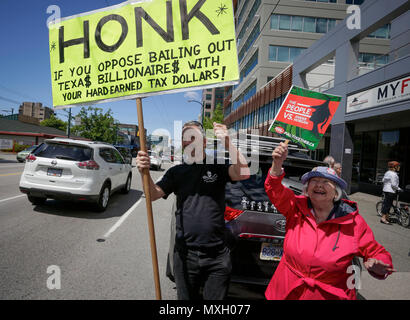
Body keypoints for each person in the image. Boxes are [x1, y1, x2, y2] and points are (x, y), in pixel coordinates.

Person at [264, 142, 395, 300]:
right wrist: (277, 163)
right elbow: (275, 189)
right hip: (287, 290)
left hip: (330, 295)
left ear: (336, 193)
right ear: (306, 188)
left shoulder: (352, 221)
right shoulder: (295, 207)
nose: (319, 184)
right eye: (314, 180)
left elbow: (376, 252)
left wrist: (379, 263)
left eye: (326, 182)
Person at [136, 121, 250, 300]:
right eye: (184, 138)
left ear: (204, 142)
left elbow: (243, 173)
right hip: (185, 255)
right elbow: (152, 195)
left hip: (217, 256)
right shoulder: (177, 172)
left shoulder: (217, 167)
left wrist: (228, 143)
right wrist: (145, 172)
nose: (188, 141)